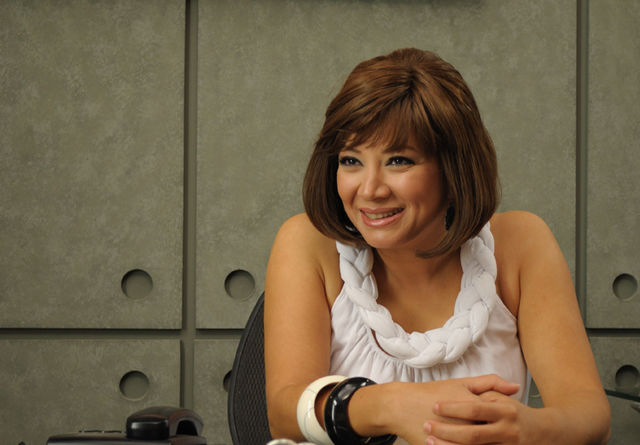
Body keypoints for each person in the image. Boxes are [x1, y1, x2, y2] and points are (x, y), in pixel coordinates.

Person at [264, 48, 610, 445]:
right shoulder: (308, 243)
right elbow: (283, 414)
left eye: (398, 160)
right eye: (351, 161)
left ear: (454, 167)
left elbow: (590, 417)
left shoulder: (521, 243)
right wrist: (391, 405)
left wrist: (528, 428)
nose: (370, 189)